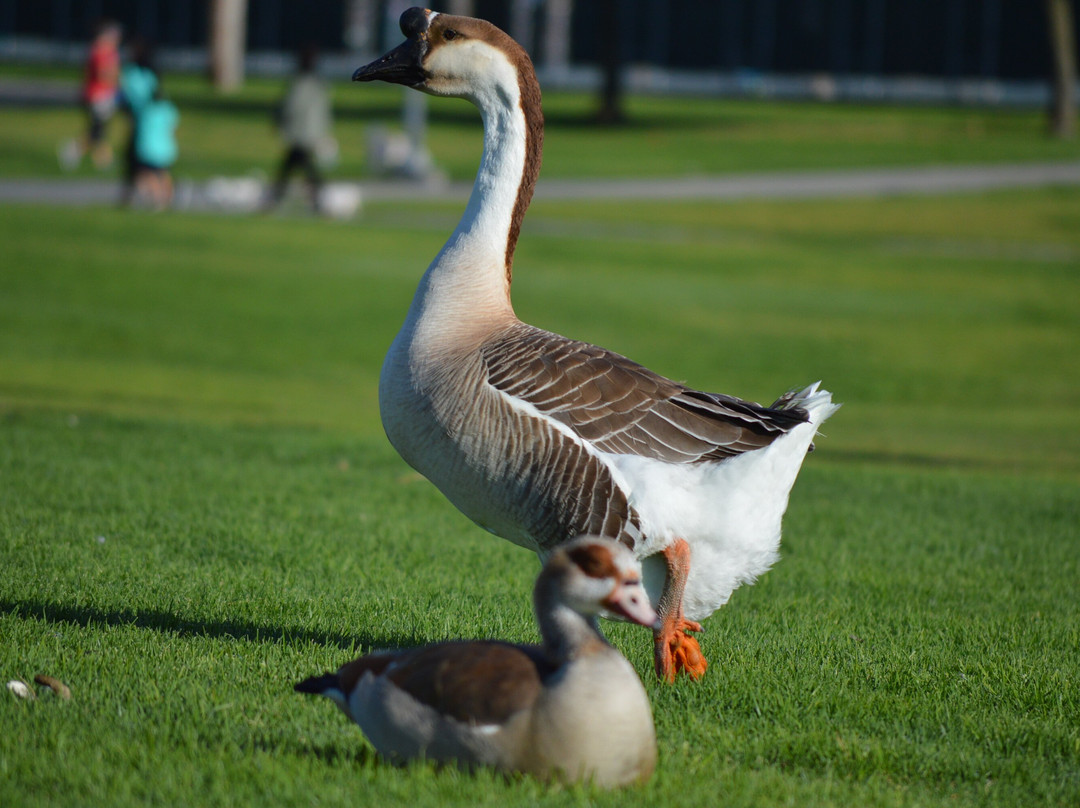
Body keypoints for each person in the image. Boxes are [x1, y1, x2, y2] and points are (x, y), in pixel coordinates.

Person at [266, 44, 333, 211]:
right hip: (308, 133)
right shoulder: (317, 83)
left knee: (296, 166)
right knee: (296, 166)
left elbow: (290, 107)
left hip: (302, 134)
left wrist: (279, 121)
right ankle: (316, 200)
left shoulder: (302, 83)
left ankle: (277, 198)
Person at [60, 20, 122, 170]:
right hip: (98, 95)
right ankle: (74, 150)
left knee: (99, 130)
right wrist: (116, 77)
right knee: (97, 130)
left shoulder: (107, 52)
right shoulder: (100, 52)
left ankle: (102, 159)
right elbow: (104, 75)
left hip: (104, 94)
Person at [117, 38, 159, 205]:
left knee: (140, 161)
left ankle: (147, 195)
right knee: (145, 162)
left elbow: (128, 97)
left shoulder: (132, 74)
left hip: (141, 122)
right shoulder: (150, 75)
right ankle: (136, 194)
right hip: (148, 122)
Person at [131, 80, 179, 210]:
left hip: (148, 148)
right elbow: (173, 127)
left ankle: (157, 198)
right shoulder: (168, 109)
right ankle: (169, 198)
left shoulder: (145, 110)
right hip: (166, 148)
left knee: (148, 174)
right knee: (163, 173)